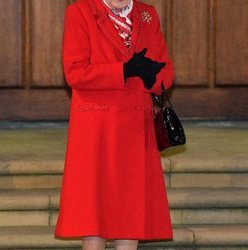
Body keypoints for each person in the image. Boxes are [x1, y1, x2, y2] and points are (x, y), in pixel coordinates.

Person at [55, 0, 174, 249]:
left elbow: (166, 71)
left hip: (135, 126)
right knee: (93, 215)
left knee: (130, 215)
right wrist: (123, 70)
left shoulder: (147, 14)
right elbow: (75, 72)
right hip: (97, 127)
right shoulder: (80, 12)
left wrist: (152, 76)